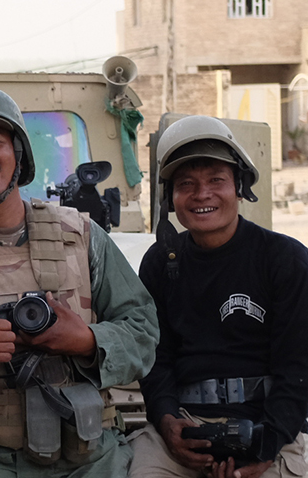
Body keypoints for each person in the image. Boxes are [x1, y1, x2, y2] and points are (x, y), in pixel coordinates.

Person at [0, 85, 159, 478]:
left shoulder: (84, 236)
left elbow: (144, 331)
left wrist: (87, 341)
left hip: (90, 458)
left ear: (17, 152)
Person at [128, 115, 308, 478]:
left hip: (268, 426)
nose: (202, 194)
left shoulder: (285, 259)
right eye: (186, 184)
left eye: (216, 180)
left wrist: (266, 447)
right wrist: (167, 424)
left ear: (239, 186)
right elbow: (154, 357)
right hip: (184, 427)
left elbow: (298, 367)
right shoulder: (160, 262)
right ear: (171, 198)